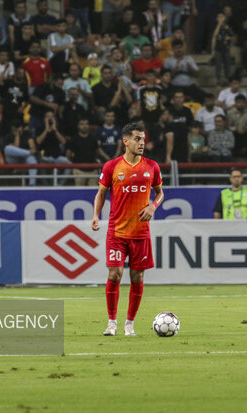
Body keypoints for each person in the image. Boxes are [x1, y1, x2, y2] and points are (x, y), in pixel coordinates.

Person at [92, 122, 164, 336]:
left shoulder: (152, 166)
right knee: (115, 274)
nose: (142, 143)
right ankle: (112, 323)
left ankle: (129, 324)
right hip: (117, 231)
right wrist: (96, 215)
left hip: (140, 233)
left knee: (137, 278)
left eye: (143, 139)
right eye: (137, 139)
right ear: (125, 141)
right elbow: (101, 194)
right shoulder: (112, 166)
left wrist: (153, 205)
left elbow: (160, 193)